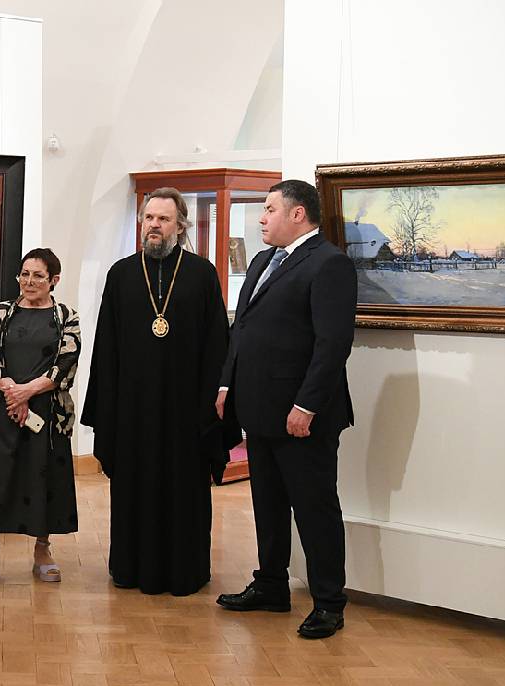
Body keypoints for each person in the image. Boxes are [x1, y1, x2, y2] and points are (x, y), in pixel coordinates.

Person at [215, 179, 357, 640]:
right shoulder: (262, 261)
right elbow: (242, 329)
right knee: (268, 504)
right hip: (259, 409)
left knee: (315, 510)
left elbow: (332, 344)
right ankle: (271, 585)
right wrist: (227, 384)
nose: (261, 218)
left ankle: (329, 603)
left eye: (270, 209)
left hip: (303, 418)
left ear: (297, 214)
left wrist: (306, 405)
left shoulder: (329, 263)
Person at [81, 188, 231, 596]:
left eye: (163, 219)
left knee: (184, 491)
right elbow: (106, 347)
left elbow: (217, 344)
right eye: (149, 218)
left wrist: (213, 404)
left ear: (180, 226)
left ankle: (185, 571)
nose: (154, 226)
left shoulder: (201, 274)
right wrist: (106, 410)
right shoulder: (121, 274)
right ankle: (130, 568)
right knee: (134, 487)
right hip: (133, 410)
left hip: (185, 409)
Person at [0, 248, 80, 587]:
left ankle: (42, 550)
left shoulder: (66, 316)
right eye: (24, 274)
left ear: (54, 280)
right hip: (2, 409)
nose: (29, 281)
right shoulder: (3, 312)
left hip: (47, 412)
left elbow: (66, 363)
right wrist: (12, 392)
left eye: (38, 276)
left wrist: (27, 392)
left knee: (43, 479)